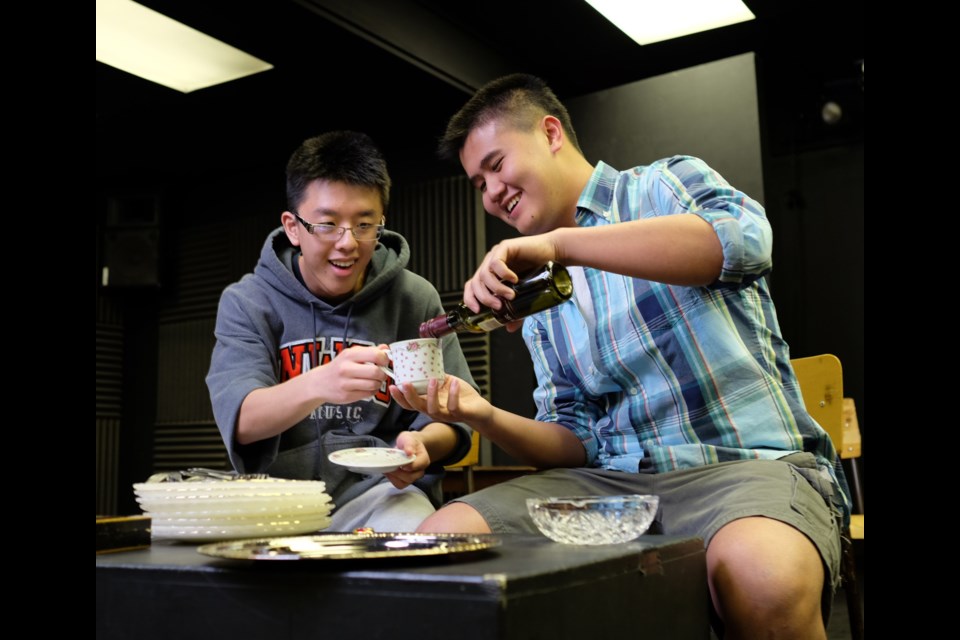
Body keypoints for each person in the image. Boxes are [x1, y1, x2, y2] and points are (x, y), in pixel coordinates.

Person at [391, 74, 849, 638]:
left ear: (551, 133)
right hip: (615, 488)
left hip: (746, 467)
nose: (490, 193)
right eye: (477, 183)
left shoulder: (662, 184)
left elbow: (740, 243)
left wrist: (562, 246)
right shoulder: (538, 292)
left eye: (496, 164)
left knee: (764, 579)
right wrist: (477, 413)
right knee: (438, 543)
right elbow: (573, 443)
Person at [206, 131, 476, 532]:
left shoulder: (413, 299)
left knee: (415, 546)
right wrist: (320, 383)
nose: (348, 243)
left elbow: (455, 418)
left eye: (365, 224)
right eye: (328, 224)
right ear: (293, 227)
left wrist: (421, 446)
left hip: (382, 493)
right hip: (278, 498)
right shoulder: (249, 302)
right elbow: (242, 418)